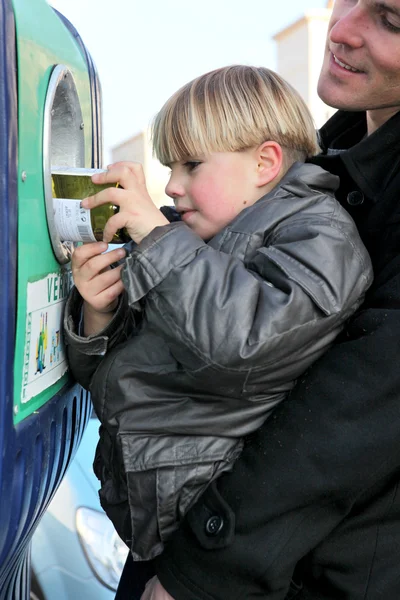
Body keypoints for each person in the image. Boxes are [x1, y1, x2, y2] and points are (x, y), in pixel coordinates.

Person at [63, 66, 371, 594]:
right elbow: (113, 376)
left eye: (191, 165)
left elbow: (241, 344)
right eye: (169, 167)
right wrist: (98, 316)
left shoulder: (320, 237)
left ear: (265, 162)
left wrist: (160, 242)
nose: (173, 186)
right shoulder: (188, 240)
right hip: (157, 532)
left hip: (212, 551)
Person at [135, 1, 400, 599]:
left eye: (392, 20)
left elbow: (358, 408)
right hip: (182, 528)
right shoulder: (328, 155)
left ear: (266, 161)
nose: (342, 27)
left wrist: (203, 569)